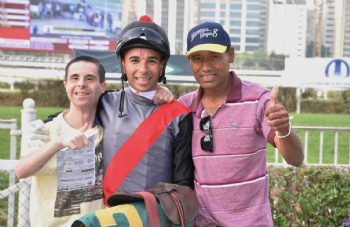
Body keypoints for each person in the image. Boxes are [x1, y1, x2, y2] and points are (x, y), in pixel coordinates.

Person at [28, 17, 194, 208]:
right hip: (110, 216)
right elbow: (75, 115)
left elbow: (182, 183)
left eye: (152, 61)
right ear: (123, 64)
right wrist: (45, 123)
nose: (143, 69)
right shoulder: (106, 101)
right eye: (134, 60)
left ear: (162, 65)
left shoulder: (179, 114)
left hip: (156, 216)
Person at [178, 22, 304, 226]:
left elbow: (295, 159)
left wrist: (284, 129)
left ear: (231, 55)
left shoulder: (258, 100)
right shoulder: (183, 106)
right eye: (197, 58)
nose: (206, 66)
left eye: (214, 56)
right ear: (189, 62)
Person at [15, 56, 107, 227]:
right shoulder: (44, 130)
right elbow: (21, 171)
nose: (81, 84)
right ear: (66, 86)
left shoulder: (109, 130)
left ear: (103, 87)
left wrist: (162, 91)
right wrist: (58, 142)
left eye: (90, 78)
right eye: (74, 78)